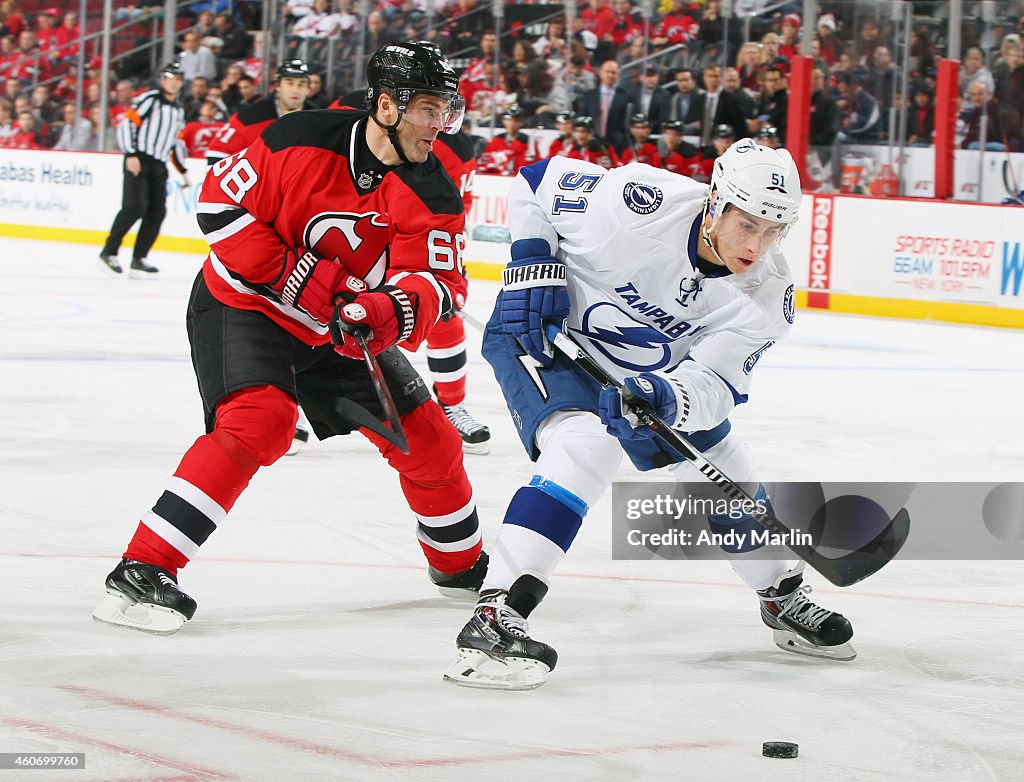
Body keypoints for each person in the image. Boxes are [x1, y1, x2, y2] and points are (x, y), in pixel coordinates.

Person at [92, 42, 489, 635]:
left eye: (445, 110)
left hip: (337, 331)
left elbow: (440, 286)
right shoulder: (299, 136)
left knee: (428, 439)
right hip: (243, 305)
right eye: (428, 109)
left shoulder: (434, 189)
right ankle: (142, 571)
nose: (440, 124)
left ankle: (459, 565)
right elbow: (219, 206)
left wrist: (387, 308)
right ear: (386, 105)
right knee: (260, 422)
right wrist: (302, 280)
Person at [443, 139, 855, 690]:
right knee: (585, 445)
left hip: (646, 378)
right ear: (715, 202)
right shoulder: (639, 202)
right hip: (550, 338)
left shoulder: (767, 295)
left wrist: (668, 396)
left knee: (721, 461)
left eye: (772, 230)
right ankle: (494, 618)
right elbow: (537, 182)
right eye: (746, 225)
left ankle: (779, 595)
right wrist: (532, 261)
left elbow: (716, 384)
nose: (756, 245)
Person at [99, 62, 189, 278]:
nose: (174, 83)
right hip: (139, 159)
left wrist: (183, 170)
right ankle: (109, 252)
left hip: (159, 165)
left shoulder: (178, 109)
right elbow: (127, 124)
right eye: (171, 77)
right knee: (134, 207)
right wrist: (131, 154)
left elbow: (175, 142)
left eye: (178, 79)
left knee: (157, 212)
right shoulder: (150, 100)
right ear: (162, 79)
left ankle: (139, 258)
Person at [205, 59, 311, 166]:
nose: (295, 90)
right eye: (289, 83)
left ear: (308, 89)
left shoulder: (318, 120)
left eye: (301, 84)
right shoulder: (250, 117)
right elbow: (218, 152)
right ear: (278, 86)